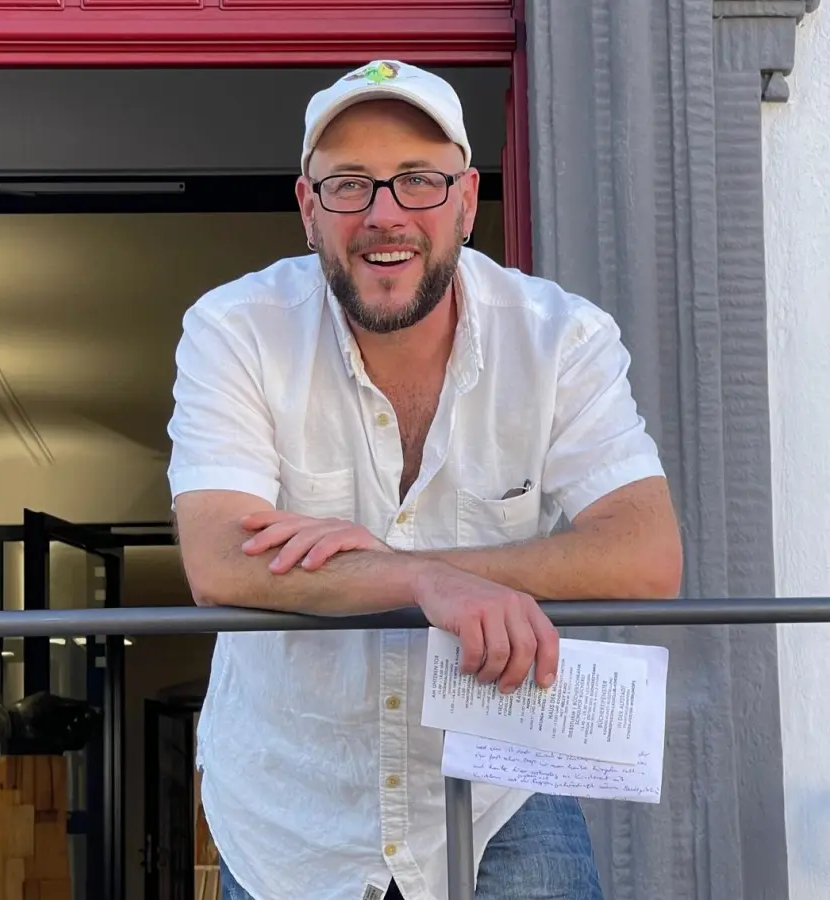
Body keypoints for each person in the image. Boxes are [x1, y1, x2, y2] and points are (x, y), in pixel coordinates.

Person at [165, 59, 683, 900]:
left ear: (469, 200)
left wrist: (381, 566)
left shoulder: (561, 338)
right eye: (349, 187)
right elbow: (222, 562)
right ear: (308, 210)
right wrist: (422, 580)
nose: (384, 215)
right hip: (294, 798)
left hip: (498, 778)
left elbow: (647, 554)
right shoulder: (235, 329)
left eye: (418, 181)